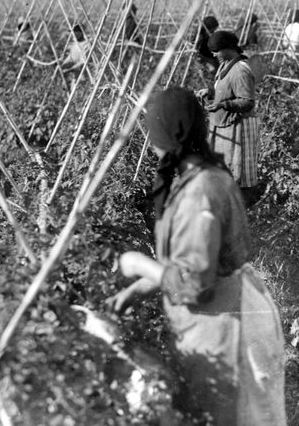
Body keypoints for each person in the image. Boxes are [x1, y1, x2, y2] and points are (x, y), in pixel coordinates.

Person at [106, 87, 286, 424]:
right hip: (229, 309)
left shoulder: (199, 194)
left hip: (229, 324)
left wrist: (138, 265)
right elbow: (195, 262)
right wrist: (140, 289)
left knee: (233, 415)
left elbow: (196, 283)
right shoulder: (203, 176)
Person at [196, 31, 262, 207]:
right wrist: (210, 92)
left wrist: (223, 105)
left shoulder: (240, 70)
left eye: (216, 50)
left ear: (228, 49)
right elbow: (226, 89)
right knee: (228, 169)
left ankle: (243, 209)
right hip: (227, 124)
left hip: (240, 125)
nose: (213, 54)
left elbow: (247, 102)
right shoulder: (226, 66)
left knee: (241, 172)